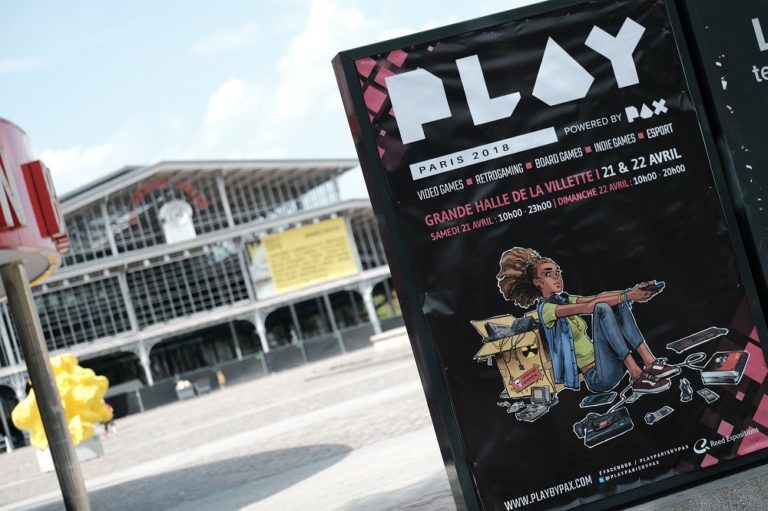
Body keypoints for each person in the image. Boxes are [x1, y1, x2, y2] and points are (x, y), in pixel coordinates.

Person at [495, 247, 679, 394]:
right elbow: (589, 307)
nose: (557, 278)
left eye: (558, 272)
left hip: (610, 362)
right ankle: (637, 376)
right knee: (602, 308)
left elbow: (595, 297)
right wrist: (628, 295)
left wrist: (630, 292)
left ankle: (650, 362)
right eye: (548, 274)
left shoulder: (564, 298)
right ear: (537, 282)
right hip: (599, 377)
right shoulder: (546, 310)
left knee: (619, 304)